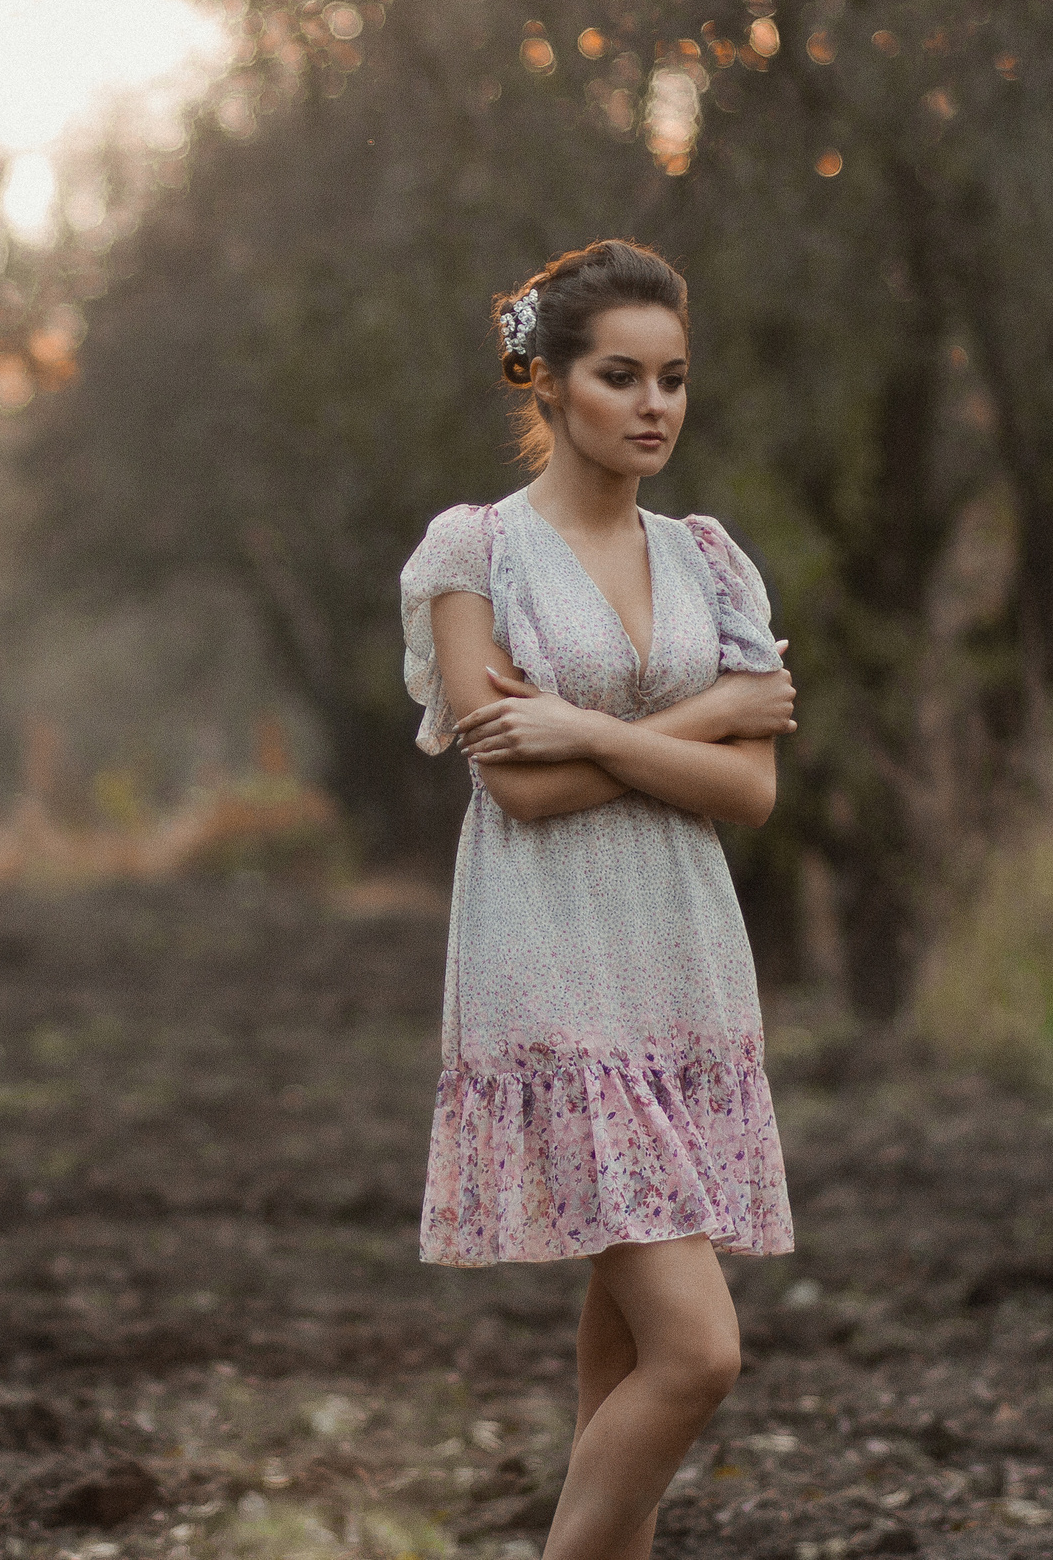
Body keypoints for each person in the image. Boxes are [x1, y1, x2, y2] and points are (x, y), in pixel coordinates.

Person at [399, 239, 799, 1560]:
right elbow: (518, 788)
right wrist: (705, 721)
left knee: (619, 1364)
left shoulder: (709, 560)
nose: (653, 406)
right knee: (698, 1354)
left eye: (673, 379)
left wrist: (603, 734)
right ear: (551, 383)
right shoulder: (475, 555)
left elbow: (750, 796)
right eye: (620, 375)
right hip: (550, 972)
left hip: (680, 963)